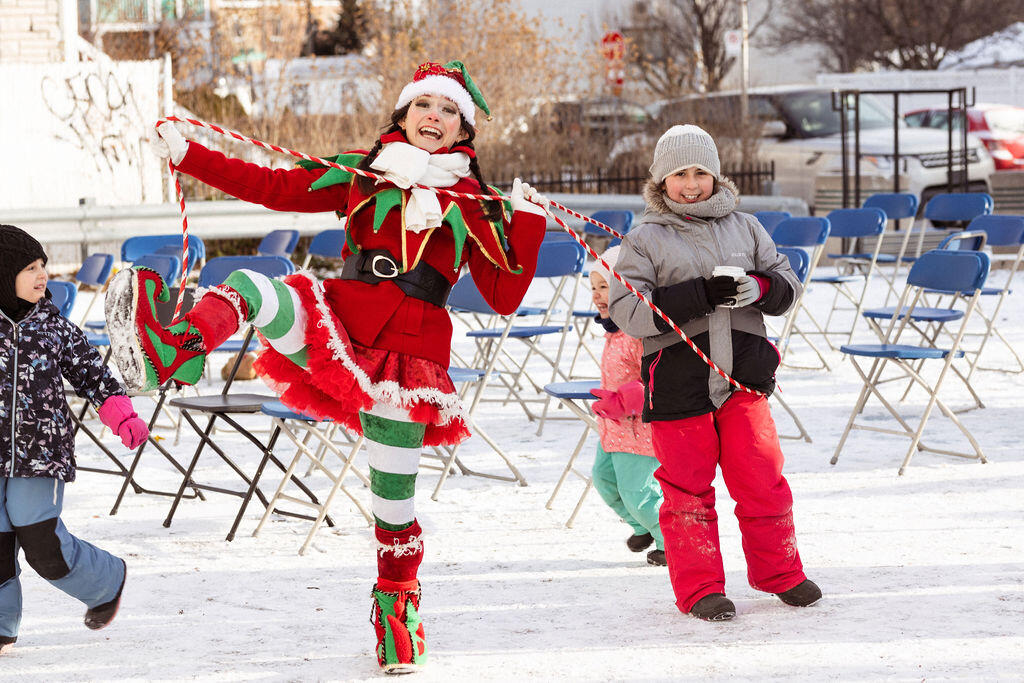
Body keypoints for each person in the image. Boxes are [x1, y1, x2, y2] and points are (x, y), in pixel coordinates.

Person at [104, 60, 549, 672]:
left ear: (463, 133)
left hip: (410, 359)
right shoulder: (362, 172)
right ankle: (175, 348)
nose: (434, 118)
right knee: (251, 287)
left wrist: (526, 222)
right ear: (403, 114)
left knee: (393, 507)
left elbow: (503, 298)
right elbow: (272, 186)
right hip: (337, 325)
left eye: (449, 112)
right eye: (425, 106)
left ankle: (398, 610)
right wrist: (190, 155)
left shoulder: (477, 202)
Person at [607, 125, 821, 622]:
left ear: (715, 176)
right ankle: (700, 587)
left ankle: (779, 572)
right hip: (680, 383)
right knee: (687, 489)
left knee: (762, 479)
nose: (691, 183)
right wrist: (699, 294)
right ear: (661, 181)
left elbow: (787, 281)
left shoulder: (746, 227)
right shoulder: (644, 240)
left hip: (743, 380)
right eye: (679, 174)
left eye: (700, 172)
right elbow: (628, 311)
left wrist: (762, 288)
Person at [0, 225, 149, 655]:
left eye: (43, 265)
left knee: (41, 543)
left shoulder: (53, 328)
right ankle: (1, 625)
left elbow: (92, 374)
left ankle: (106, 581)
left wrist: (121, 414)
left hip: (40, 454)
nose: (42, 275)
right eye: (29, 268)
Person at [587, 246, 666, 567]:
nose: (596, 295)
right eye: (592, 287)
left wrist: (629, 398)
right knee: (603, 480)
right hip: (613, 427)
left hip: (638, 430)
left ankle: (667, 538)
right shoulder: (615, 332)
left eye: (604, 286)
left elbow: (657, 380)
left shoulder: (636, 333)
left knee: (637, 492)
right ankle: (641, 526)